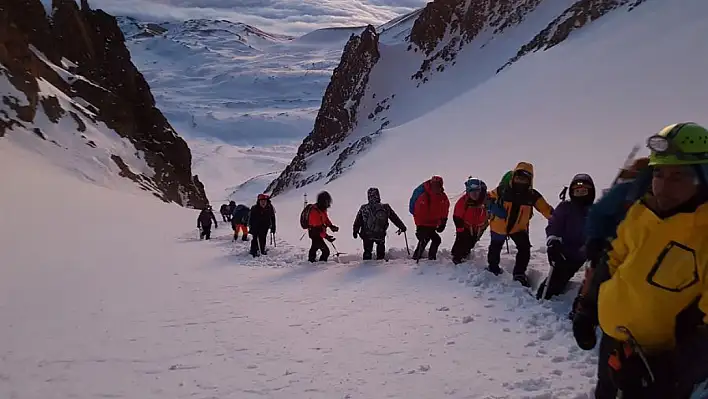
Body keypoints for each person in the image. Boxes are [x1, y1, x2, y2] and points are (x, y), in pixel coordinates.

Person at [572, 122, 708, 399]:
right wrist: (588, 306)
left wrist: (668, 371)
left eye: (678, 176)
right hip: (614, 344)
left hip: (659, 367)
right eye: (659, 173)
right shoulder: (641, 212)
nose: (664, 186)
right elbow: (613, 260)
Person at [568, 158, 651, 318]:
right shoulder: (625, 191)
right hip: (610, 242)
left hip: (635, 246)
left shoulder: (656, 194)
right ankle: (581, 309)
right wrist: (595, 239)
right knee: (596, 276)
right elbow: (598, 213)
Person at [486, 162, 553, 285]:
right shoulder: (503, 190)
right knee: (495, 247)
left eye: (524, 179)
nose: (520, 181)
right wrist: (492, 205)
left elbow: (546, 209)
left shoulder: (532, 196)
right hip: (499, 226)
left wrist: (558, 219)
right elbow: (489, 196)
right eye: (518, 177)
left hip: (519, 228)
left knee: (524, 249)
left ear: (530, 180)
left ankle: (519, 273)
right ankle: (493, 267)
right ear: (513, 177)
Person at [536, 173, 596, 300]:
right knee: (554, 283)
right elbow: (554, 224)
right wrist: (553, 241)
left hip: (588, 251)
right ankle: (545, 296)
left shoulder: (595, 210)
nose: (580, 194)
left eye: (584, 191)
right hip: (565, 252)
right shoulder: (565, 207)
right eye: (577, 191)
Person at [353, 187, 407, 260]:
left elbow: (358, 221)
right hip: (380, 234)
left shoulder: (364, 208)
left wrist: (355, 231)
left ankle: (366, 265)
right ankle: (380, 263)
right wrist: (402, 227)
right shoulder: (385, 207)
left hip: (367, 235)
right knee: (380, 250)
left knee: (367, 251)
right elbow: (394, 218)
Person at [410, 175, 450, 261]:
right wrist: (419, 227)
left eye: (438, 185)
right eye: (434, 185)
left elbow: (444, 209)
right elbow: (416, 211)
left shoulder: (442, 196)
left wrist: (443, 222)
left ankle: (424, 257)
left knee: (430, 240)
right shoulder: (423, 195)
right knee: (428, 240)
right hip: (423, 223)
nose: (435, 187)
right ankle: (425, 258)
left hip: (432, 223)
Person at [451, 178, 489, 264]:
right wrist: (460, 229)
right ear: (468, 192)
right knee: (461, 240)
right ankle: (457, 256)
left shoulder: (484, 200)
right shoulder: (463, 201)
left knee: (472, 241)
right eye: (472, 192)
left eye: (477, 191)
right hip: (465, 225)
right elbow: (457, 216)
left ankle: (465, 253)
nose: (475, 194)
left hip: (477, 227)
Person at [307, 191, 339, 262]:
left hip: (318, 233)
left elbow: (325, 219)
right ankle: (321, 265)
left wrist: (331, 226)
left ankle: (311, 261)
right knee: (326, 251)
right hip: (314, 234)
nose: (328, 203)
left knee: (314, 247)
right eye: (327, 201)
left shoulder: (322, 209)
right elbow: (317, 230)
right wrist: (327, 237)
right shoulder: (314, 212)